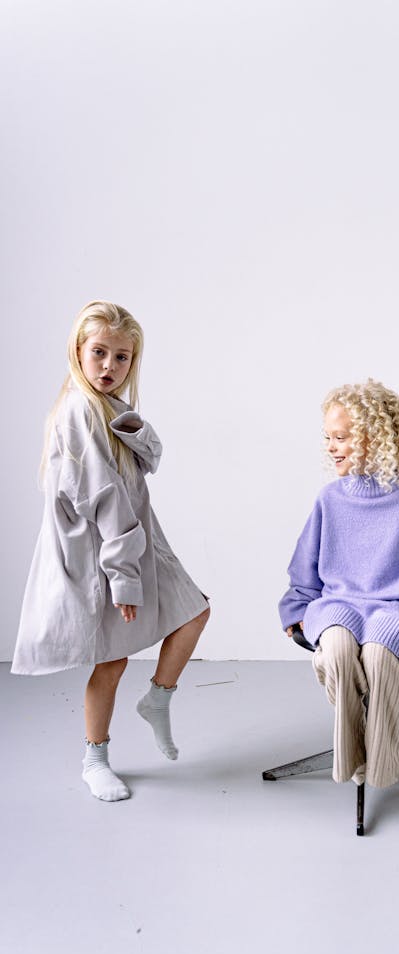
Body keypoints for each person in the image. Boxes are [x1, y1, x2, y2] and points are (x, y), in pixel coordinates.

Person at [12, 301, 210, 802]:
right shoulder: (79, 411)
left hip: (137, 544)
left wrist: (132, 427)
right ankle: (94, 758)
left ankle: (158, 700)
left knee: (194, 611)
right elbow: (102, 499)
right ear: (78, 351)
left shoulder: (113, 409)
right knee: (114, 660)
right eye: (99, 352)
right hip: (103, 555)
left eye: (122, 358)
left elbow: (153, 460)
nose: (109, 366)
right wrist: (122, 576)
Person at [279, 379, 399, 789]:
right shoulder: (329, 499)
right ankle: (356, 761)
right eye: (328, 437)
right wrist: (294, 613)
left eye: (342, 437)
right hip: (338, 604)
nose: (331, 446)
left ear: (375, 438)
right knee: (341, 650)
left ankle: (385, 760)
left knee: (380, 656)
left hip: (394, 608)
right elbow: (304, 570)